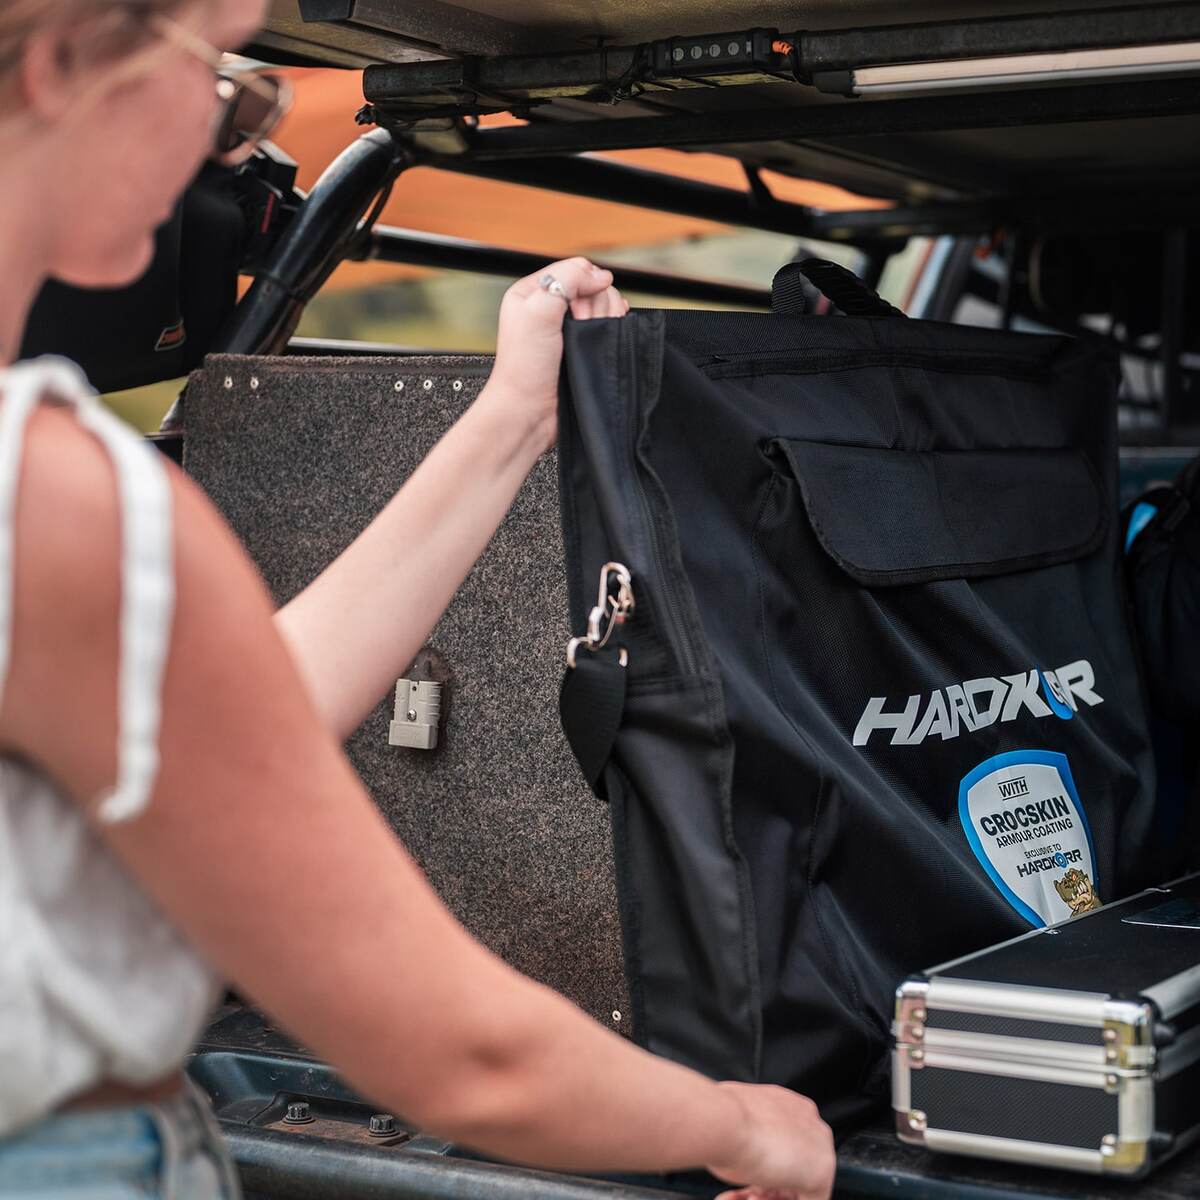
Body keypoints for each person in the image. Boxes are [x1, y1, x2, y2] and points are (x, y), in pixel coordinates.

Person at [0, 1, 836, 1197]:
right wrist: (743, 1126)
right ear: (54, 69)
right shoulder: (54, 501)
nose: (230, 140)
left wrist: (515, 416)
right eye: (226, 82)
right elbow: (464, 1056)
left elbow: (240, 717)